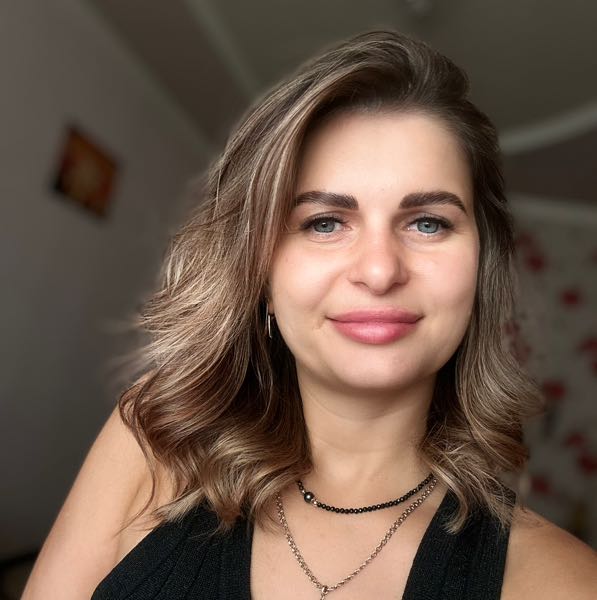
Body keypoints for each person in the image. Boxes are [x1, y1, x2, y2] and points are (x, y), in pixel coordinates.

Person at [23, 30, 597, 600]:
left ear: (481, 269)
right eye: (324, 223)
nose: (379, 271)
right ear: (261, 272)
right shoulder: (155, 438)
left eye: (428, 223)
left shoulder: (563, 582)